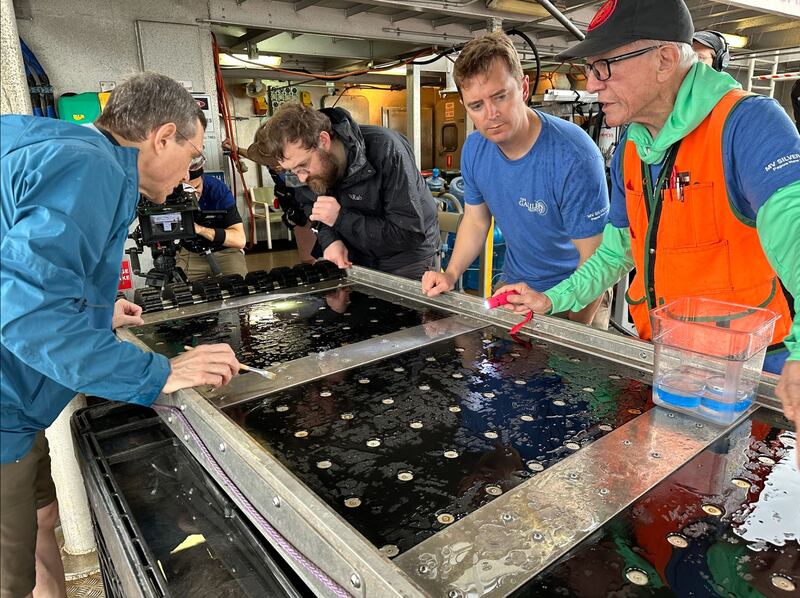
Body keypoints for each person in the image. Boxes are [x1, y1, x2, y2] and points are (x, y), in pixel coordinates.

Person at [498, 0, 800, 447]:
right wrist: (551, 299)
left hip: (751, 380)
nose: (592, 83)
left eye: (604, 66)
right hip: (667, 365)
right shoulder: (632, 149)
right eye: (589, 69)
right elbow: (618, 250)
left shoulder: (748, 126)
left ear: (662, 59)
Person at [1, 72, 240, 598]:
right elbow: (26, 316)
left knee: (42, 520)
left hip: (16, 407)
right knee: (6, 574)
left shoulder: (58, 145)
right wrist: (159, 371)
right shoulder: (90, 168)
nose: (188, 175)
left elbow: (21, 264)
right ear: (162, 136)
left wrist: (94, 311)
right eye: (192, 155)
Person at [421, 32, 612, 329]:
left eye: (500, 96)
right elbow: (475, 220)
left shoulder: (574, 157)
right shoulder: (475, 149)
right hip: (515, 290)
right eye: (476, 106)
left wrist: (575, 335)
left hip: (576, 297)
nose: (491, 115)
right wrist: (450, 273)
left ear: (522, 88)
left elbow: (595, 263)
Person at [248, 103, 441, 280]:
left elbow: (408, 233)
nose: (301, 178)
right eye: (293, 171)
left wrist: (340, 219)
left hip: (407, 259)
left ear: (323, 140)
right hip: (357, 255)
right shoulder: (306, 171)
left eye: (303, 166)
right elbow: (311, 207)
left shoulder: (386, 149)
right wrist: (330, 239)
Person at [175, 166, 248, 279]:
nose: (194, 193)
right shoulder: (168, 192)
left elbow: (239, 240)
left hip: (225, 251)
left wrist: (200, 229)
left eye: (197, 187)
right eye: (188, 190)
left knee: (240, 286)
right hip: (191, 253)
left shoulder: (218, 190)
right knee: (178, 291)